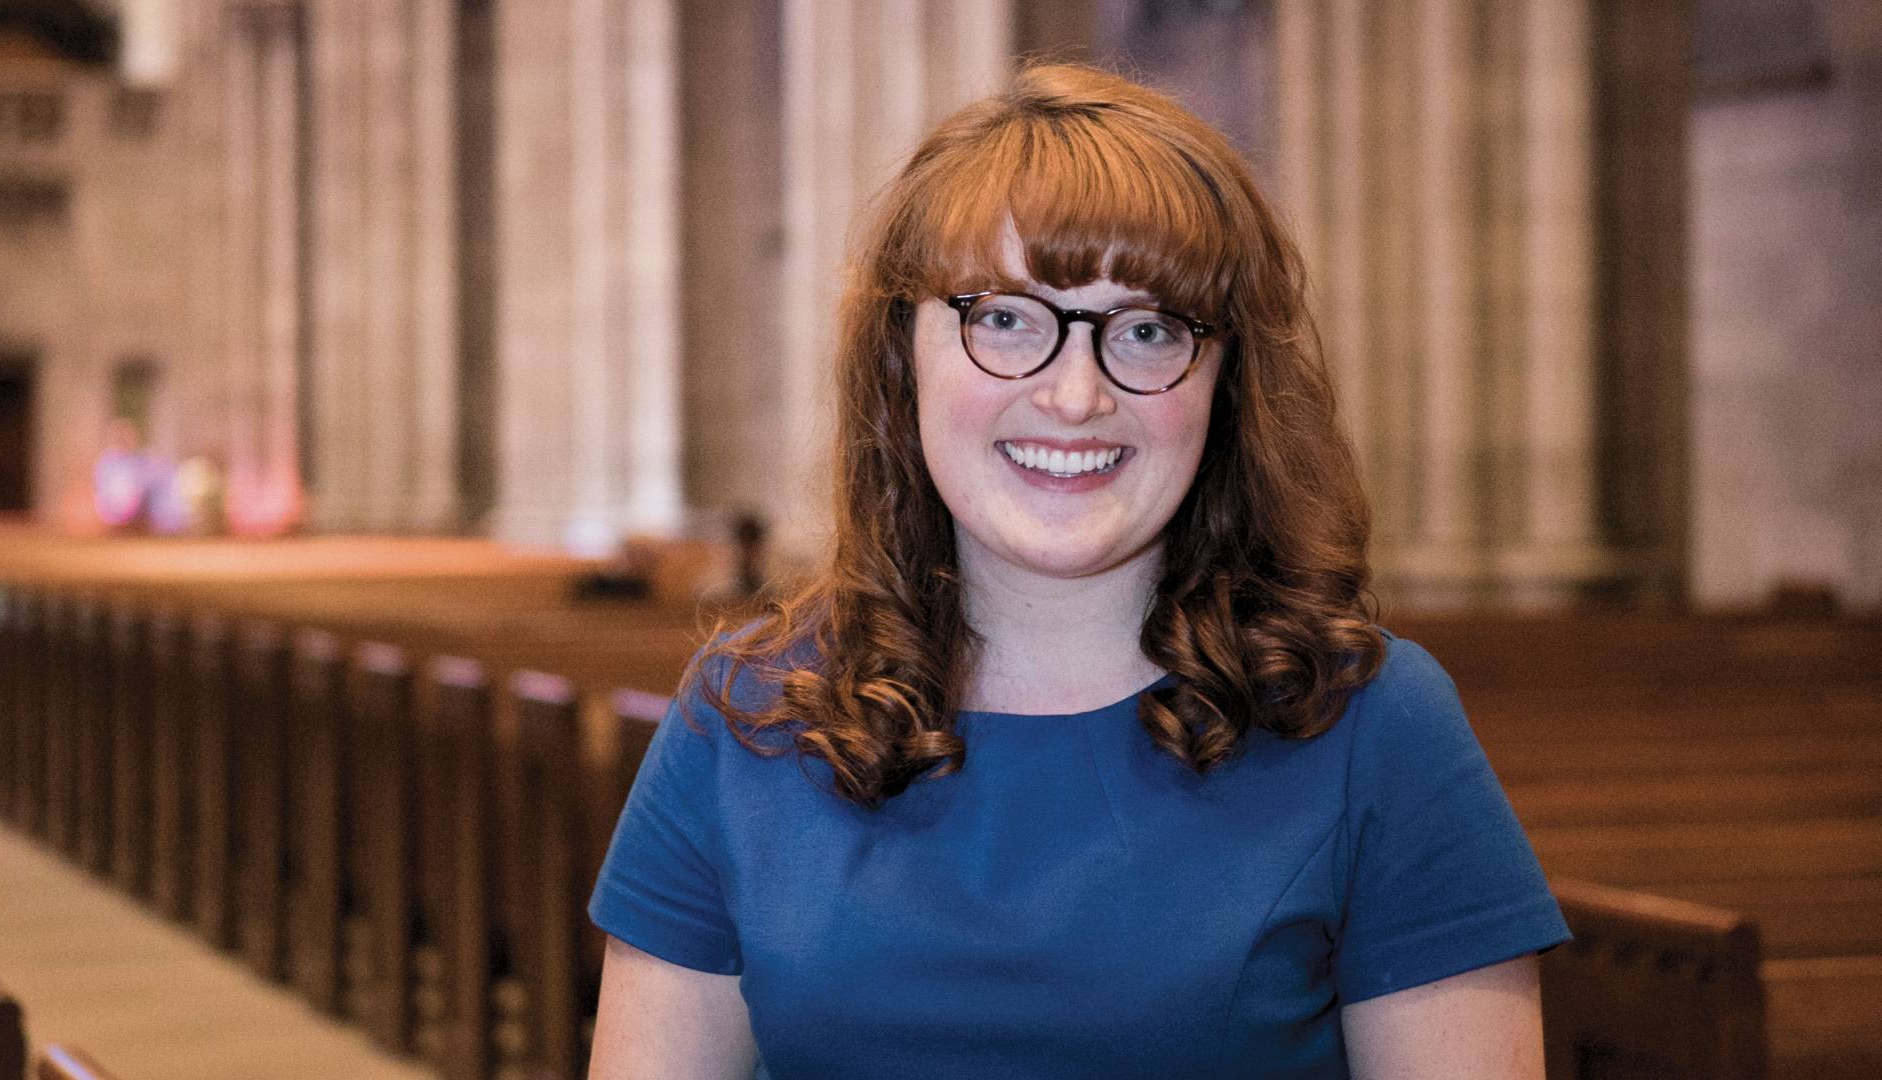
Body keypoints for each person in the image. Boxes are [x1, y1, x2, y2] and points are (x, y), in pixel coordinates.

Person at [586, 64, 1568, 1079]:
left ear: (1228, 385)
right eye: (1005, 317)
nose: (1073, 394)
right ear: (900, 356)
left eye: (1148, 331)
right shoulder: (745, 716)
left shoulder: (1373, 727)